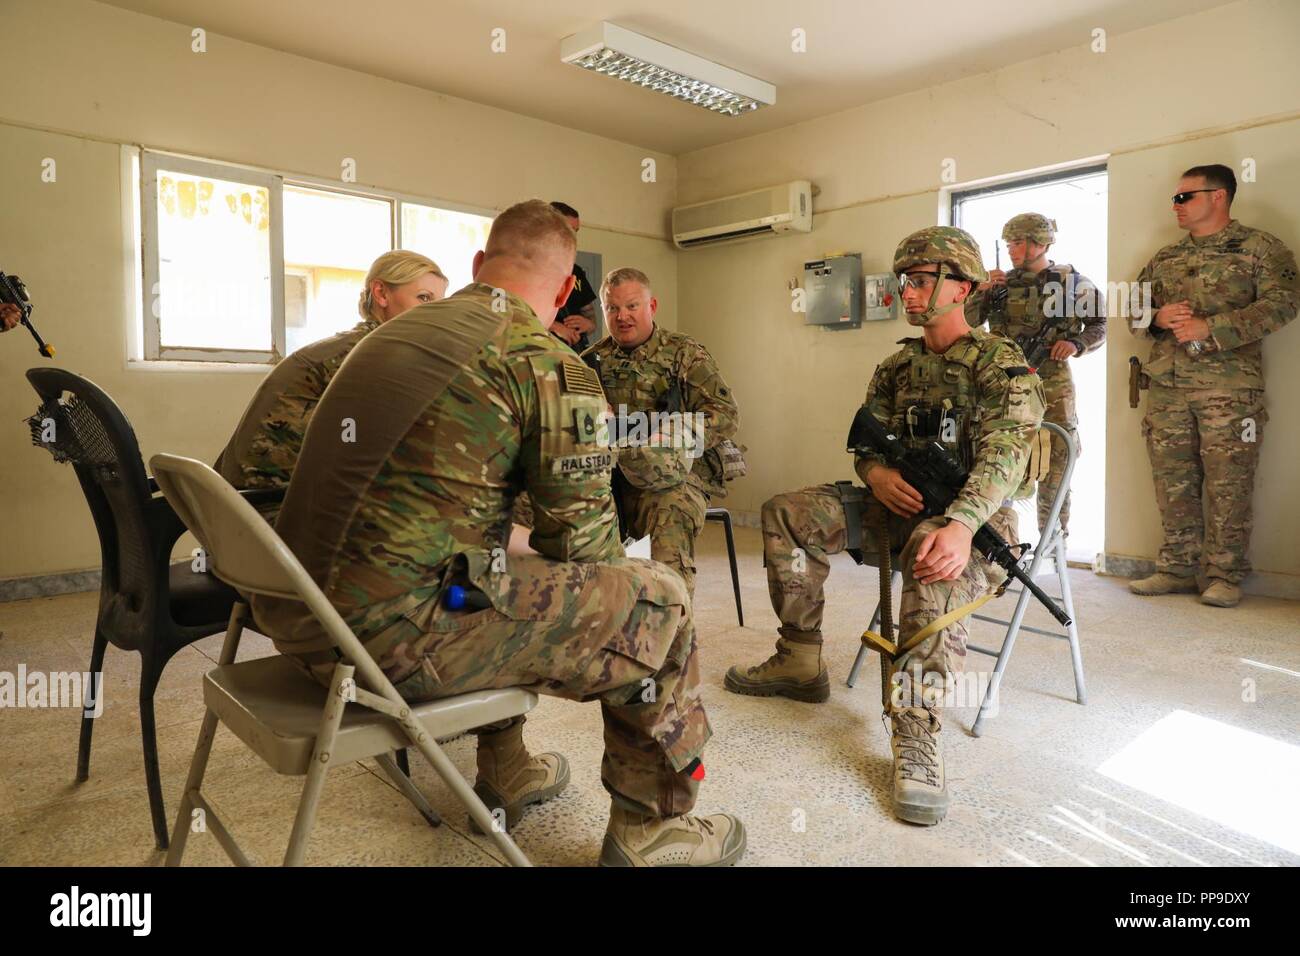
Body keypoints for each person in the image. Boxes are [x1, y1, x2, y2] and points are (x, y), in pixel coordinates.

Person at [250, 200, 745, 866]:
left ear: (478, 266)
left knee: (487, 577)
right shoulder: (552, 366)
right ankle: (653, 829)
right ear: (569, 289)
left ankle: (506, 768)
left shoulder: (386, 338)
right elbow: (588, 557)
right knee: (658, 597)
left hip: (297, 617)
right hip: (386, 645)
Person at [724, 227, 1044, 826]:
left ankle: (917, 729)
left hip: (971, 515)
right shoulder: (897, 365)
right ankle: (799, 658)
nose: (910, 291)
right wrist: (874, 476)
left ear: (962, 285)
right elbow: (866, 442)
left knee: (931, 550)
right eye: (906, 281)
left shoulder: (1003, 365)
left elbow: (1006, 456)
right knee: (786, 512)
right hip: (892, 504)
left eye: (923, 280)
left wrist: (958, 523)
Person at [1128, 164, 1298, 608]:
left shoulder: (1260, 248)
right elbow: (1133, 310)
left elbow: (1284, 304)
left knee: (1230, 483)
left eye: (1185, 197)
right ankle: (1177, 568)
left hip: (1230, 388)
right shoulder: (1165, 258)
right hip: (1167, 385)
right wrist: (1156, 318)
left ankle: (1225, 573)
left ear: (1218, 196)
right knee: (1173, 481)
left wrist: (1213, 327)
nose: (1176, 205)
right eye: (1175, 198)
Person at [217, 250, 448, 495]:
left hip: (236, 500)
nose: (436, 313)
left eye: (440, 303)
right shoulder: (373, 354)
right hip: (270, 500)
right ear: (381, 293)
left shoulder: (355, 345)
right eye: (424, 298)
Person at [581, 267, 741, 599]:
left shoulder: (684, 353)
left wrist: (674, 435)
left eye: (632, 306)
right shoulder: (588, 362)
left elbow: (725, 415)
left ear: (651, 306)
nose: (622, 316)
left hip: (676, 474)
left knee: (669, 514)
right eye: (612, 308)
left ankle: (672, 630)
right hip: (610, 471)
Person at [971, 213, 1105, 535]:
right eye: (1009, 244)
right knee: (998, 455)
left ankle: (1053, 540)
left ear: (1040, 243)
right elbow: (967, 321)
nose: (1012, 250)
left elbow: (1100, 324)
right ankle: (998, 543)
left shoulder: (1071, 283)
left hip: (1053, 382)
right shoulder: (1000, 285)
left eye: (1017, 243)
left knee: (1059, 459)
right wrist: (980, 287)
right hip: (1006, 382)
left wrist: (1076, 343)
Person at [548, 201, 600, 352]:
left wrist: (587, 324)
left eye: (575, 231)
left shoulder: (575, 271)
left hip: (574, 354)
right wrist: (554, 326)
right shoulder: (531, 266)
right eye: (568, 230)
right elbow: (514, 314)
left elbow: (592, 321)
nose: (573, 238)